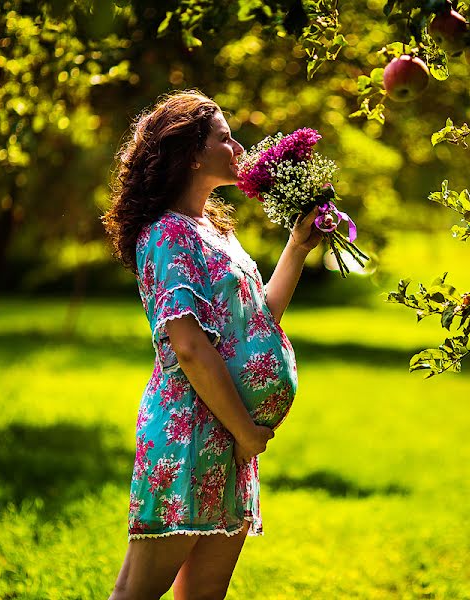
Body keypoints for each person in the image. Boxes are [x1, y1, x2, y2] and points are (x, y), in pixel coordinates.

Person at [102, 90, 323, 600]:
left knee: (204, 595)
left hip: (227, 439)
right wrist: (246, 430)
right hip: (192, 435)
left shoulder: (211, 231)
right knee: (135, 592)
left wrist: (296, 246)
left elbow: (257, 319)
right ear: (193, 154)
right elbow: (188, 347)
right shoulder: (166, 235)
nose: (238, 146)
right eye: (224, 137)